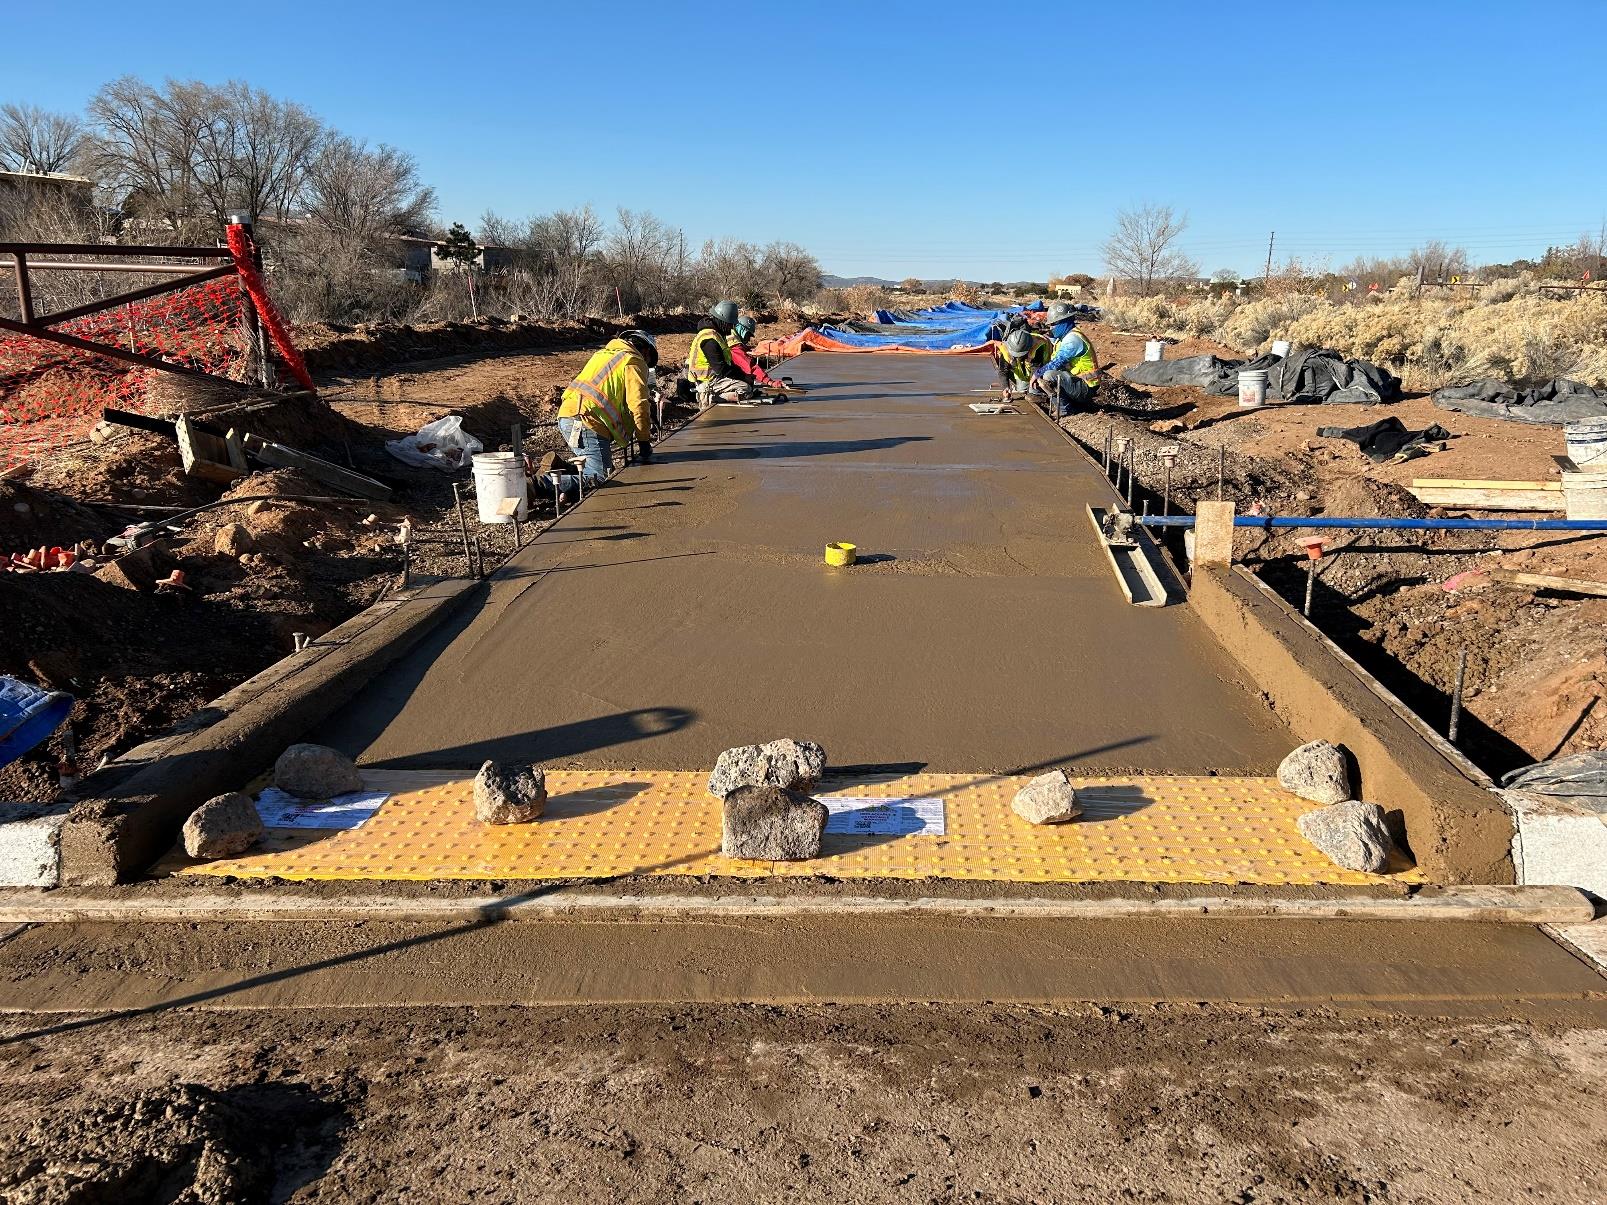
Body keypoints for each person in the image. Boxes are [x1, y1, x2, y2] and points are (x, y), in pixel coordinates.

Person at [557, 328, 657, 483]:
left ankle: (557, 468)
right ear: (646, 351)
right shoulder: (634, 360)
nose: (647, 365)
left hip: (569, 415)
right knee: (600, 477)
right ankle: (539, 485)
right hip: (586, 419)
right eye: (648, 361)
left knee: (593, 468)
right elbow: (638, 404)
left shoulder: (603, 355)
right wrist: (644, 441)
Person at [1032, 301, 1101, 416]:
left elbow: (1057, 362)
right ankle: (1070, 403)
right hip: (1079, 383)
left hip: (1086, 388)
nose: (1051, 327)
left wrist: (1037, 374)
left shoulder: (1073, 339)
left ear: (1064, 322)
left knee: (1048, 375)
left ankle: (1064, 409)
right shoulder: (1064, 338)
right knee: (1049, 373)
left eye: (1054, 324)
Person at [685, 299, 753, 407]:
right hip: (706, 381)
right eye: (730, 324)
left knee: (746, 384)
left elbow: (728, 364)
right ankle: (709, 396)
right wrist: (743, 377)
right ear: (723, 321)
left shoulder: (717, 335)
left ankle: (713, 394)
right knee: (746, 389)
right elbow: (721, 369)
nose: (732, 328)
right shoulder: (709, 339)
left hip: (714, 378)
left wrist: (743, 375)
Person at [726, 316, 794, 398]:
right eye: (748, 335)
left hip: (722, 373)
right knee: (746, 388)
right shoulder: (733, 344)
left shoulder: (730, 336)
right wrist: (770, 382)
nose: (748, 339)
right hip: (716, 379)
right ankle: (724, 396)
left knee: (747, 380)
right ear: (742, 330)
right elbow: (749, 366)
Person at [993, 326, 1054, 399]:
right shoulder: (1006, 349)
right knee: (1022, 391)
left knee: (1034, 392)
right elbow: (1003, 371)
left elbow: (1036, 368)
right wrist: (1005, 387)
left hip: (1044, 369)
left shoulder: (1037, 347)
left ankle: (1046, 397)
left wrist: (1034, 387)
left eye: (1021, 354)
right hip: (1023, 372)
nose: (1018, 357)